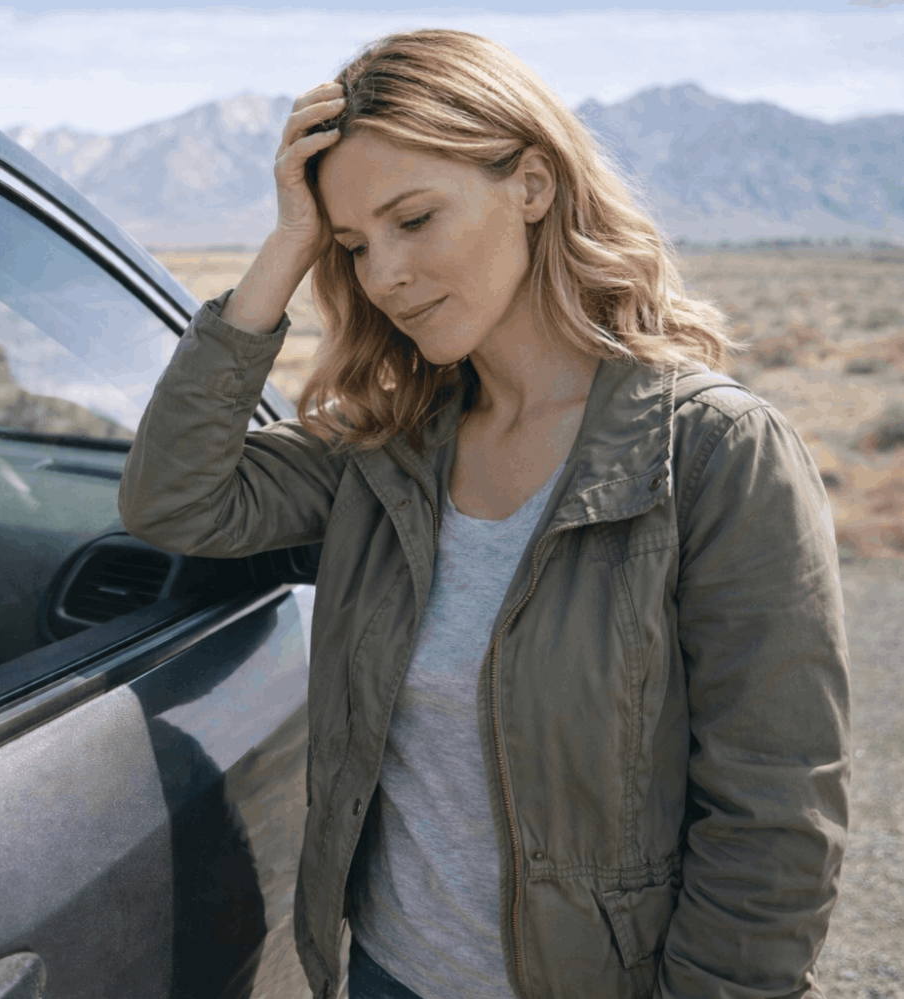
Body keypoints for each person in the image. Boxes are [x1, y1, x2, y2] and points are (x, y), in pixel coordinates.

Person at [118, 28, 850, 999]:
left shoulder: (714, 454)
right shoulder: (388, 448)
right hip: (383, 973)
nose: (383, 277)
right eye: (354, 246)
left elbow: (773, 821)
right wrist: (287, 247)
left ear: (533, 185)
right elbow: (175, 499)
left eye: (413, 219)